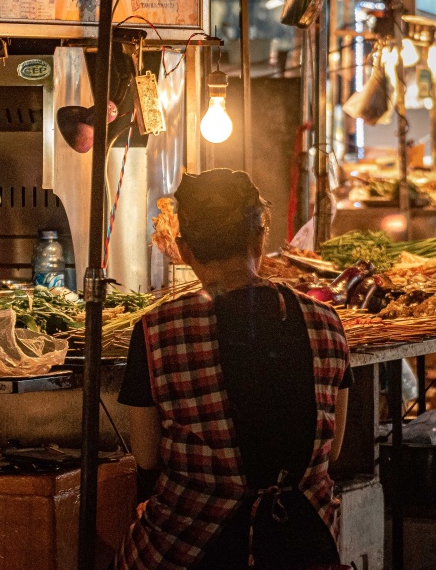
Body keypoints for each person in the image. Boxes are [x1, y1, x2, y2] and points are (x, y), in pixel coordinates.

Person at [117, 169, 352, 570]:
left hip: (194, 545)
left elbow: (146, 455)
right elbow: (336, 448)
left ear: (184, 249)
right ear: (260, 238)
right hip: (303, 544)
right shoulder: (326, 322)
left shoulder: (157, 330)